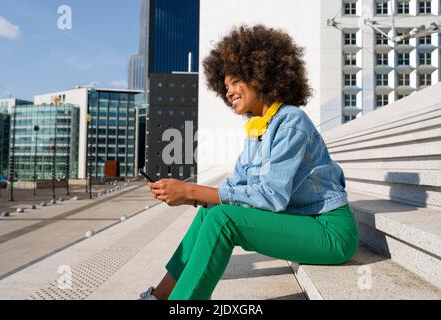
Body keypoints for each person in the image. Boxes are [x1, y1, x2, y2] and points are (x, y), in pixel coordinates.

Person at [139, 25, 359, 300]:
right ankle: (157, 298)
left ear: (260, 74)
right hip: (303, 221)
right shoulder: (257, 131)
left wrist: (190, 191)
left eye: (235, 82)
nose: (228, 91)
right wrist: (190, 196)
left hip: (330, 233)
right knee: (210, 211)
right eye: (225, 86)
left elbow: (272, 196)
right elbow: (235, 186)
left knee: (222, 219)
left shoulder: (291, 121)